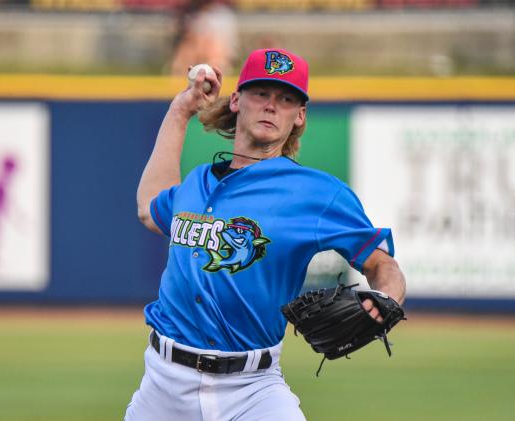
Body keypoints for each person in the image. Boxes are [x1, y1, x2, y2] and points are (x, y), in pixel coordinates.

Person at [128, 48, 406, 420]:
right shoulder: (196, 183)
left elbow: (382, 264)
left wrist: (385, 298)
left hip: (252, 390)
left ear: (299, 116)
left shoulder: (317, 193)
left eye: (286, 98)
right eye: (262, 93)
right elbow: (149, 208)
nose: (272, 106)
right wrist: (181, 109)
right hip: (162, 386)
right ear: (237, 100)